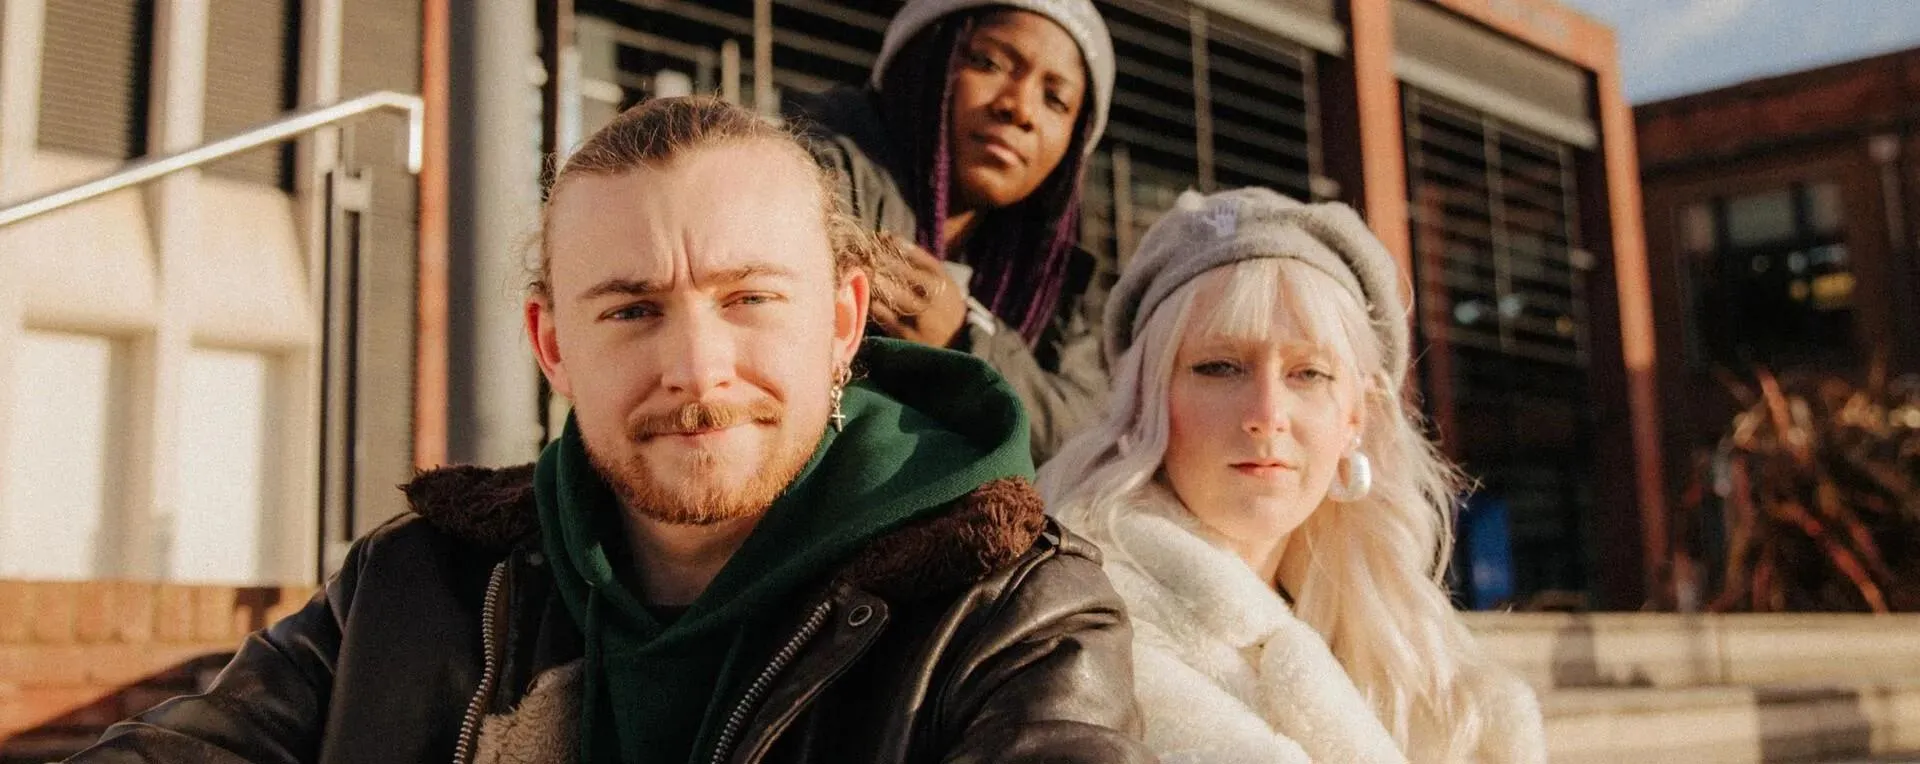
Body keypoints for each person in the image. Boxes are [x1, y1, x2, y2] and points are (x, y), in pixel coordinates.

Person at [67, 97, 1152, 764]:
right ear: (552, 345)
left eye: (748, 299)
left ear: (842, 321)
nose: (694, 369)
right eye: (632, 309)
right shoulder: (417, 583)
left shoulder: (1010, 607)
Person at [1037, 187, 1546, 763]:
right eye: (1220, 367)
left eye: (1309, 373)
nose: (1266, 415)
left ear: (1356, 417)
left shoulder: (1421, 669)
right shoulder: (1082, 624)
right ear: (1146, 400)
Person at [783, 0, 1116, 462]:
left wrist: (967, 335)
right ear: (924, 59)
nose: (1020, 108)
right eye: (988, 62)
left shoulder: (1052, 289)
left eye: (1055, 99)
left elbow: (1086, 441)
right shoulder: (817, 183)